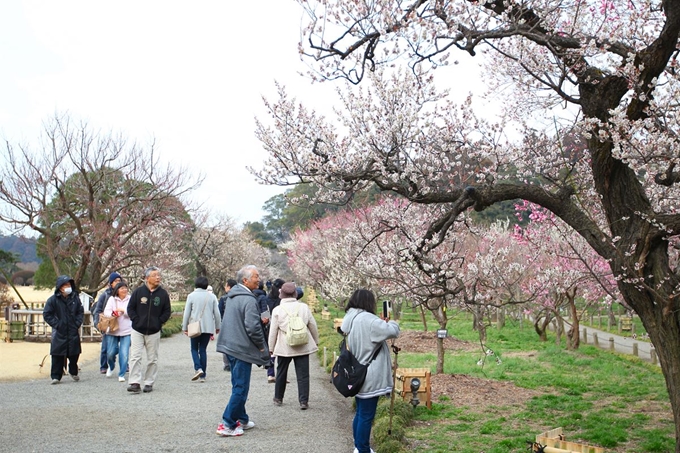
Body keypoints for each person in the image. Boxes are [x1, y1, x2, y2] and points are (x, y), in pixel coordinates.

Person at [341, 289, 400, 453]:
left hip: (357, 372)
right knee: (366, 414)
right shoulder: (369, 320)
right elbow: (392, 331)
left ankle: (357, 445)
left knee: (360, 412)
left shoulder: (350, 318)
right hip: (370, 373)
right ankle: (363, 448)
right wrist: (392, 321)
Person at [215, 265, 270, 437]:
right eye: (255, 276)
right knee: (241, 387)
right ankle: (228, 423)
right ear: (245, 280)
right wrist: (262, 347)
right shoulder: (248, 299)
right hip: (240, 349)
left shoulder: (232, 296)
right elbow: (253, 327)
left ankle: (242, 418)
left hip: (230, 346)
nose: (258, 279)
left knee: (238, 385)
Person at [268, 282, 319, 410]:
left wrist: (271, 348)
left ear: (282, 294)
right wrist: (316, 340)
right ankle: (303, 401)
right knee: (303, 375)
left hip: (284, 346)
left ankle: (278, 398)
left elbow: (273, 331)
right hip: (302, 344)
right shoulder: (304, 307)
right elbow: (312, 325)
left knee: (281, 372)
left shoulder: (277, 310)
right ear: (295, 294)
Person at [126, 266, 171, 394]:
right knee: (135, 356)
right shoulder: (138, 292)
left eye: (159, 275)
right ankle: (134, 382)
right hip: (137, 330)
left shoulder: (163, 294)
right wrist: (136, 319)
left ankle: (149, 382)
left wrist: (158, 322)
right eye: (154, 275)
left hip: (154, 331)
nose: (158, 277)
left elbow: (167, 311)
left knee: (152, 358)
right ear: (147, 278)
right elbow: (130, 308)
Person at [42, 275, 84, 384]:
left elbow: (80, 311)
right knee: (57, 354)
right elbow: (47, 314)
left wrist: (77, 323)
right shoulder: (53, 300)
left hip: (73, 329)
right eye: (65, 285)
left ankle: (73, 371)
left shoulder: (75, 298)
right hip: (59, 331)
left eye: (69, 285)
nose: (68, 287)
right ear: (60, 287)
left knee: (74, 353)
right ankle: (56, 376)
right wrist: (57, 324)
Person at [182, 276, 221, 382]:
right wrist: (218, 326)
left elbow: (186, 313)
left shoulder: (191, 296)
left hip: (195, 326)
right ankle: (203, 375)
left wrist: (184, 327)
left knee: (194, 348)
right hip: (208, 327)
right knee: (203, 349)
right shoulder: (212, 296)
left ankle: (198, 368)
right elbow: (217, 314)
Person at [93, 272, 122, 374]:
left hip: (121, 324)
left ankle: (124, 365)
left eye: (120, 281)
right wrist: (98, 324)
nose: (118, 283)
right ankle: (103, 365)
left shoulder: (123, 294)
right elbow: (97, 310)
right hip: (108, 324)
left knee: (123, 346)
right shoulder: (105, 295)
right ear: (111, 283)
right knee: (106, 347)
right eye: (116, 281)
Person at [103, 281, 132, 382]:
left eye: (125, 288)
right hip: (112, 330)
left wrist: (124, 312)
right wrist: (113, 313)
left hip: (126, 330)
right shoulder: (112, 299)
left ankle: (122, 374)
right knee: (110, 353)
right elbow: (106, 312)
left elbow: (133, 312)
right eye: (122, 288)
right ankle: (111, 366)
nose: (124, 290)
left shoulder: (130, 299)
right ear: (117, 290)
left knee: (124, 353)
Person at [264, 278, 284, 383]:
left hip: (270, 326)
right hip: (282, 326)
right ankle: (281, 375)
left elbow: (264, 312)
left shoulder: (267, 298)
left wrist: (266, 322)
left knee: (271, 350)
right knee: (282, 351)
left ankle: (270, 374)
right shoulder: (282, 299)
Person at [218, 278, 237, 372]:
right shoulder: (239, 298)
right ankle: (235, 361)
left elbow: (219, 312)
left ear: (229, 287)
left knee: (225, 345)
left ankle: (227, 364)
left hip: (225, 324)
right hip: (237, 324)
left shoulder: (223, 298)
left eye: (226, 286)